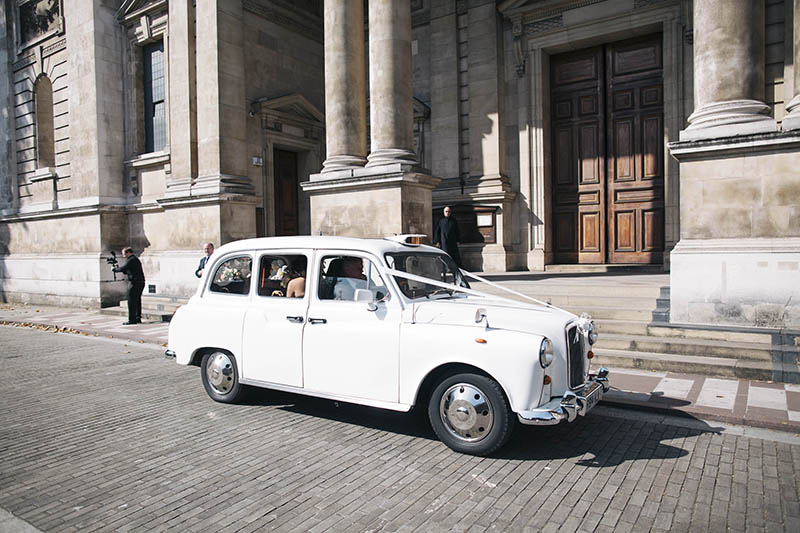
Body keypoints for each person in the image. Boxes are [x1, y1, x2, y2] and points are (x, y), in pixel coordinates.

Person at [113, 247, 146, 325]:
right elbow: (127, 270)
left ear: (129, 252)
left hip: (134, 282)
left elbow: (124, 268)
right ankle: (137, 317)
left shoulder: (131, 260)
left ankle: (132, 319)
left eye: (124, 254)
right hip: (139, 282)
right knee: (137, 300)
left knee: (131, 300)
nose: (124, 256)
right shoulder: (134, 259)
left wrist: (114, 269)